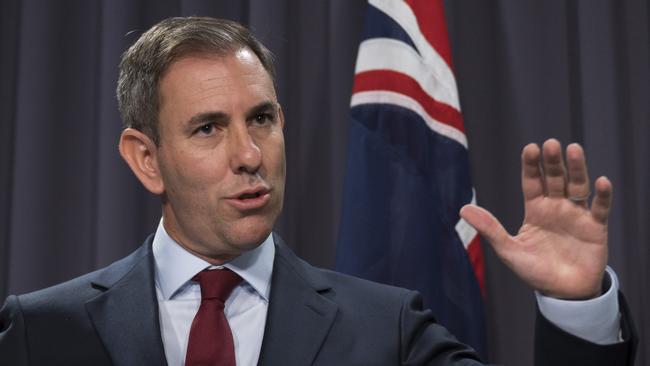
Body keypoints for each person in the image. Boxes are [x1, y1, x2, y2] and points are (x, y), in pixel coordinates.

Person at [0, 17, 637, 366]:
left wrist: (574, 308)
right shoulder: (43, 332)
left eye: (262, 120)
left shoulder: (386, 330)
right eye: (208, 129)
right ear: (147, 160)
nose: (249, 156)